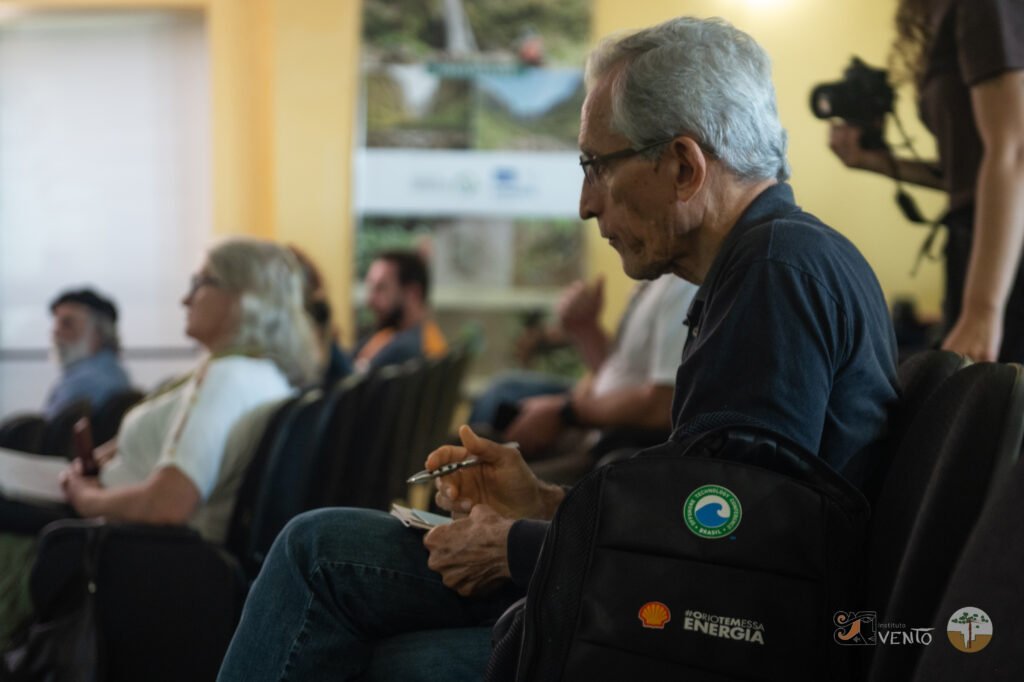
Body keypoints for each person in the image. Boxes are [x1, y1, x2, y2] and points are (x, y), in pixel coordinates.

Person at [218, 16, 898, 681]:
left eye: (597, 166)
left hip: (715, 642)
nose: (585, 203)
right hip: (693, 617)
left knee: (321, 560)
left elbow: (729, 547)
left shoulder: (774, 275)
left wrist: (514, 546)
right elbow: (704, 511)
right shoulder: (771, 262)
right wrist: (543, 504)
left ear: (684, 167)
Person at [0, 238, 320, 644]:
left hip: (124, 548)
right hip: (131, 542)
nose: (185, 299)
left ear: (242, 298)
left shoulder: (227, 379)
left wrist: (85, 497)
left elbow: (167, 504)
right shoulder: (256, 374)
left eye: (200, 283)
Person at [828, 0, 1024, 362]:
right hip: (976, 243)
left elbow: (1015, 151)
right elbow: (968, 174)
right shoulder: (941, 11)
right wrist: (875, 162)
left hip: (1008, 256)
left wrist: (983, 309)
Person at [470, 273, 697, 476]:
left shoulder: (683, 285)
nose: (610, 242)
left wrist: (565, 412)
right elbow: (618, 372)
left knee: (485, 471)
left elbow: (663, 404)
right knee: (479, 445)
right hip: (593, 428)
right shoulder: (653, 279)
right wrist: (585, 329)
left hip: (615, 447)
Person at [352, 250, 447, 372]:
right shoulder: (389, 334)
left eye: (381, 288)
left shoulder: (405, 350)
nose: (370, 301)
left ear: (413, 294)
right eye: (371, 289)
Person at [44, 288, 132, 419]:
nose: (55, 332)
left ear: (98, 333)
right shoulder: (117, 372)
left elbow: (49, 426)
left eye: (67, 324)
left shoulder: (82, 382)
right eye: (56, 324)